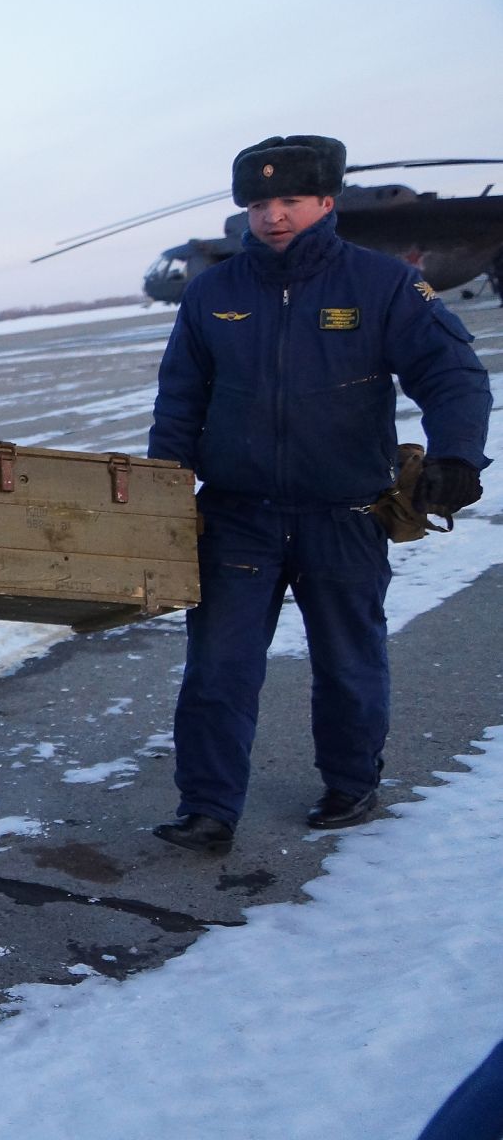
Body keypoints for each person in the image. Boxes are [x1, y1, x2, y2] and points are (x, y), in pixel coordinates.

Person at [148, 135, 491, 855]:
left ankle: (350, 782)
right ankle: (207, 809)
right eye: (260, 204)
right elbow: (180, 399)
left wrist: (457, 456)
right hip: (238, 515)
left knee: (348, 665)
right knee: (218, 670)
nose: (273, 216)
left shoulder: (383, 283)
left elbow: (451, 372)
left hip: (346, 513)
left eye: (290, 201)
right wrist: (161, 489)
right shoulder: (214, 292)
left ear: (326, 202)